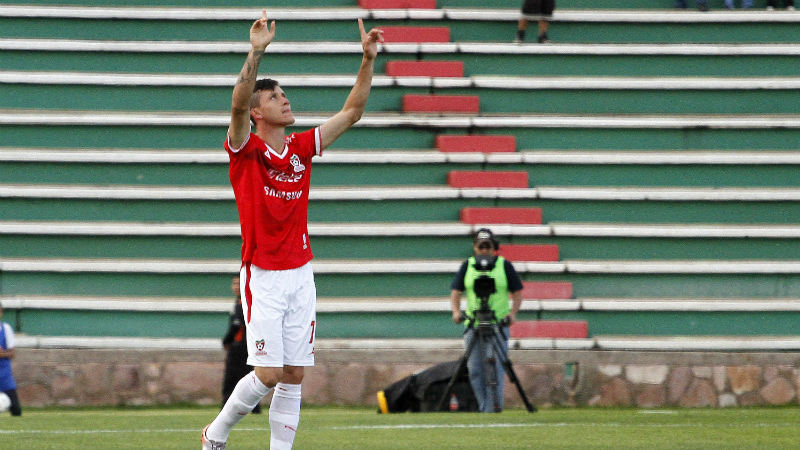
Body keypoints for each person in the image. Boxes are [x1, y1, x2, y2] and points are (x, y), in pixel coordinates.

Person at [201, 10, 383, 450]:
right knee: (267, 373)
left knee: (295, 373)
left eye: (284, 94)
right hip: (263, 273)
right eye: (275, 96)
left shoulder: (301, 148)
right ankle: (216, 433)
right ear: (258, 112)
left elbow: (353, 111)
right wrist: (256, 53)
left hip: (300, 272)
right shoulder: (246, 149)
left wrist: (367, 60)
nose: (285, 100)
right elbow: (237, 104)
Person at [449, 228, 523, 413]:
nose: (484, 250)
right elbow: (456, 292)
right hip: (474, 323)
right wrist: (456, 311)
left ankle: (492, 408)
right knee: (475, 369)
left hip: (498, 324)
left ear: (494, 247)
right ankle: (485, 407)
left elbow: (518, 292)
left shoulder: (504, 265)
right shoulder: (467, 266)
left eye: (488, 247)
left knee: (496, 368)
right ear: (475, 247)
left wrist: (512, 313)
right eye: (481, 246)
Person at [221, 275, 261, 414]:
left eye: (239, 283)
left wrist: (227, 341)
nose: (236, 287)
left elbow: (237, 324)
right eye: (234, 283)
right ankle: (255, 409)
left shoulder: (243, 302)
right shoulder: (244, 301)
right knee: (249, 377)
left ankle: (226, 410)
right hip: (248, 346)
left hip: (240, 346)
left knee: (231, 380)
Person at [0, 305, 22, 416]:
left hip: (4, 375)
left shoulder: (6, 328)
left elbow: (12, 353)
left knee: (16, 410)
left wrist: (3, 353)